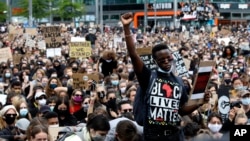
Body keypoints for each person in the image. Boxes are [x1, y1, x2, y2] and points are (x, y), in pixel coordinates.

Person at [120, 12, 210, 141]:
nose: (166, 62)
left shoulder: (179, 81)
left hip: (175, 135)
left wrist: (200, 102)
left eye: (169, 58)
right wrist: (126, 28)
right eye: (162, 60)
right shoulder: (148, 77)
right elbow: (134, 56)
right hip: (153, 136)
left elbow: (182, 110)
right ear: (155, 61)